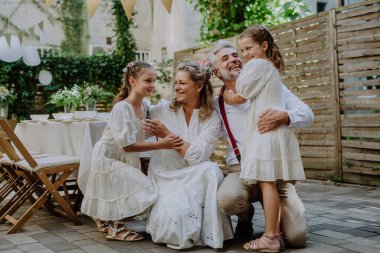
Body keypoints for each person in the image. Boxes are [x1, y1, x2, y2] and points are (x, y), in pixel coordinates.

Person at [209, 37, 313, 248]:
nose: (234, 59)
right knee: (228, 200)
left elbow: (307, 114)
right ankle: (246, 217)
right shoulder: (217, 106)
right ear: (217, 73)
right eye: (225, 58)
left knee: (297, 238)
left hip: (275, 173)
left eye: (236, 55)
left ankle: (274, 225)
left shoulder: (269, 83)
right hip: (242, 169)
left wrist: (285, 116)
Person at [80, 61, 183, 242]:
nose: (152, 85)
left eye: (154, 80)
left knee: (123, 189)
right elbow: (127, 145)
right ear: (132, 81)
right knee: (142, 187)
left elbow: (142, 133)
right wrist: (162, 144)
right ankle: (116, 228)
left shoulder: (145, 106)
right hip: (108, 157)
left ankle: (105, 217)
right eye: (148, 80)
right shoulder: (122, 108)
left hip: (126, 157)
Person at [143, 61, 233, 250]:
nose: (176, 87)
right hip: (165, 175)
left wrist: (167, 134)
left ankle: (210, 234)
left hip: (195, 175)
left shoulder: (212, 117)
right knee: (173, 226)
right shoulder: (162, 110)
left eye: (182, 83)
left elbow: (198, 156)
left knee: (211, 169)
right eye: (176, 82)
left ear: (199, 86)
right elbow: (137, 113)